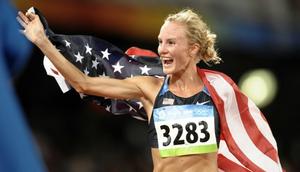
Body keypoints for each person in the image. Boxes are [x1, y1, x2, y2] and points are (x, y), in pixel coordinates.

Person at [17, 8, 283, 172]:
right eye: (160, 42)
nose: (162, 49)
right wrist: (42, 41)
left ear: (193, 49)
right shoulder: (149, 89)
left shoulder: (219, 91)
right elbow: (83, 83)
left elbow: (245, 139)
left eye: (171, 42)